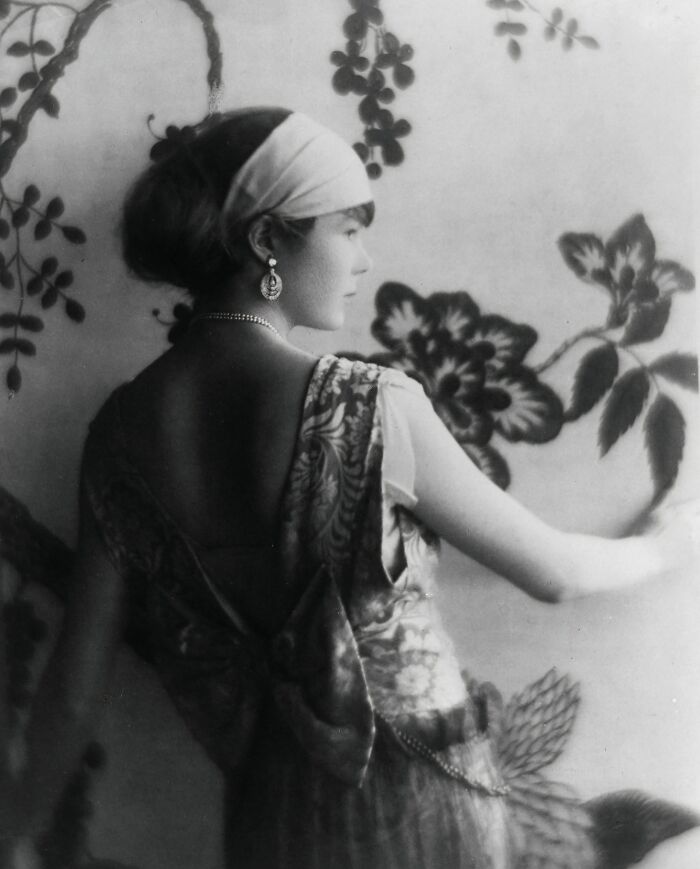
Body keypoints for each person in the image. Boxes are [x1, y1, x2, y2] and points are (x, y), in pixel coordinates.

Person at [3, 107, 698, 869]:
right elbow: (553, 573)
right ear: (267, 239)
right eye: (349, 229)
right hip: (428, 809)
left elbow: (73, 693)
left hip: (270, 820)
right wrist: (664, 546)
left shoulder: (117, 435)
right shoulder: (370, 405)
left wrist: (14, 831)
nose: (364, 260)